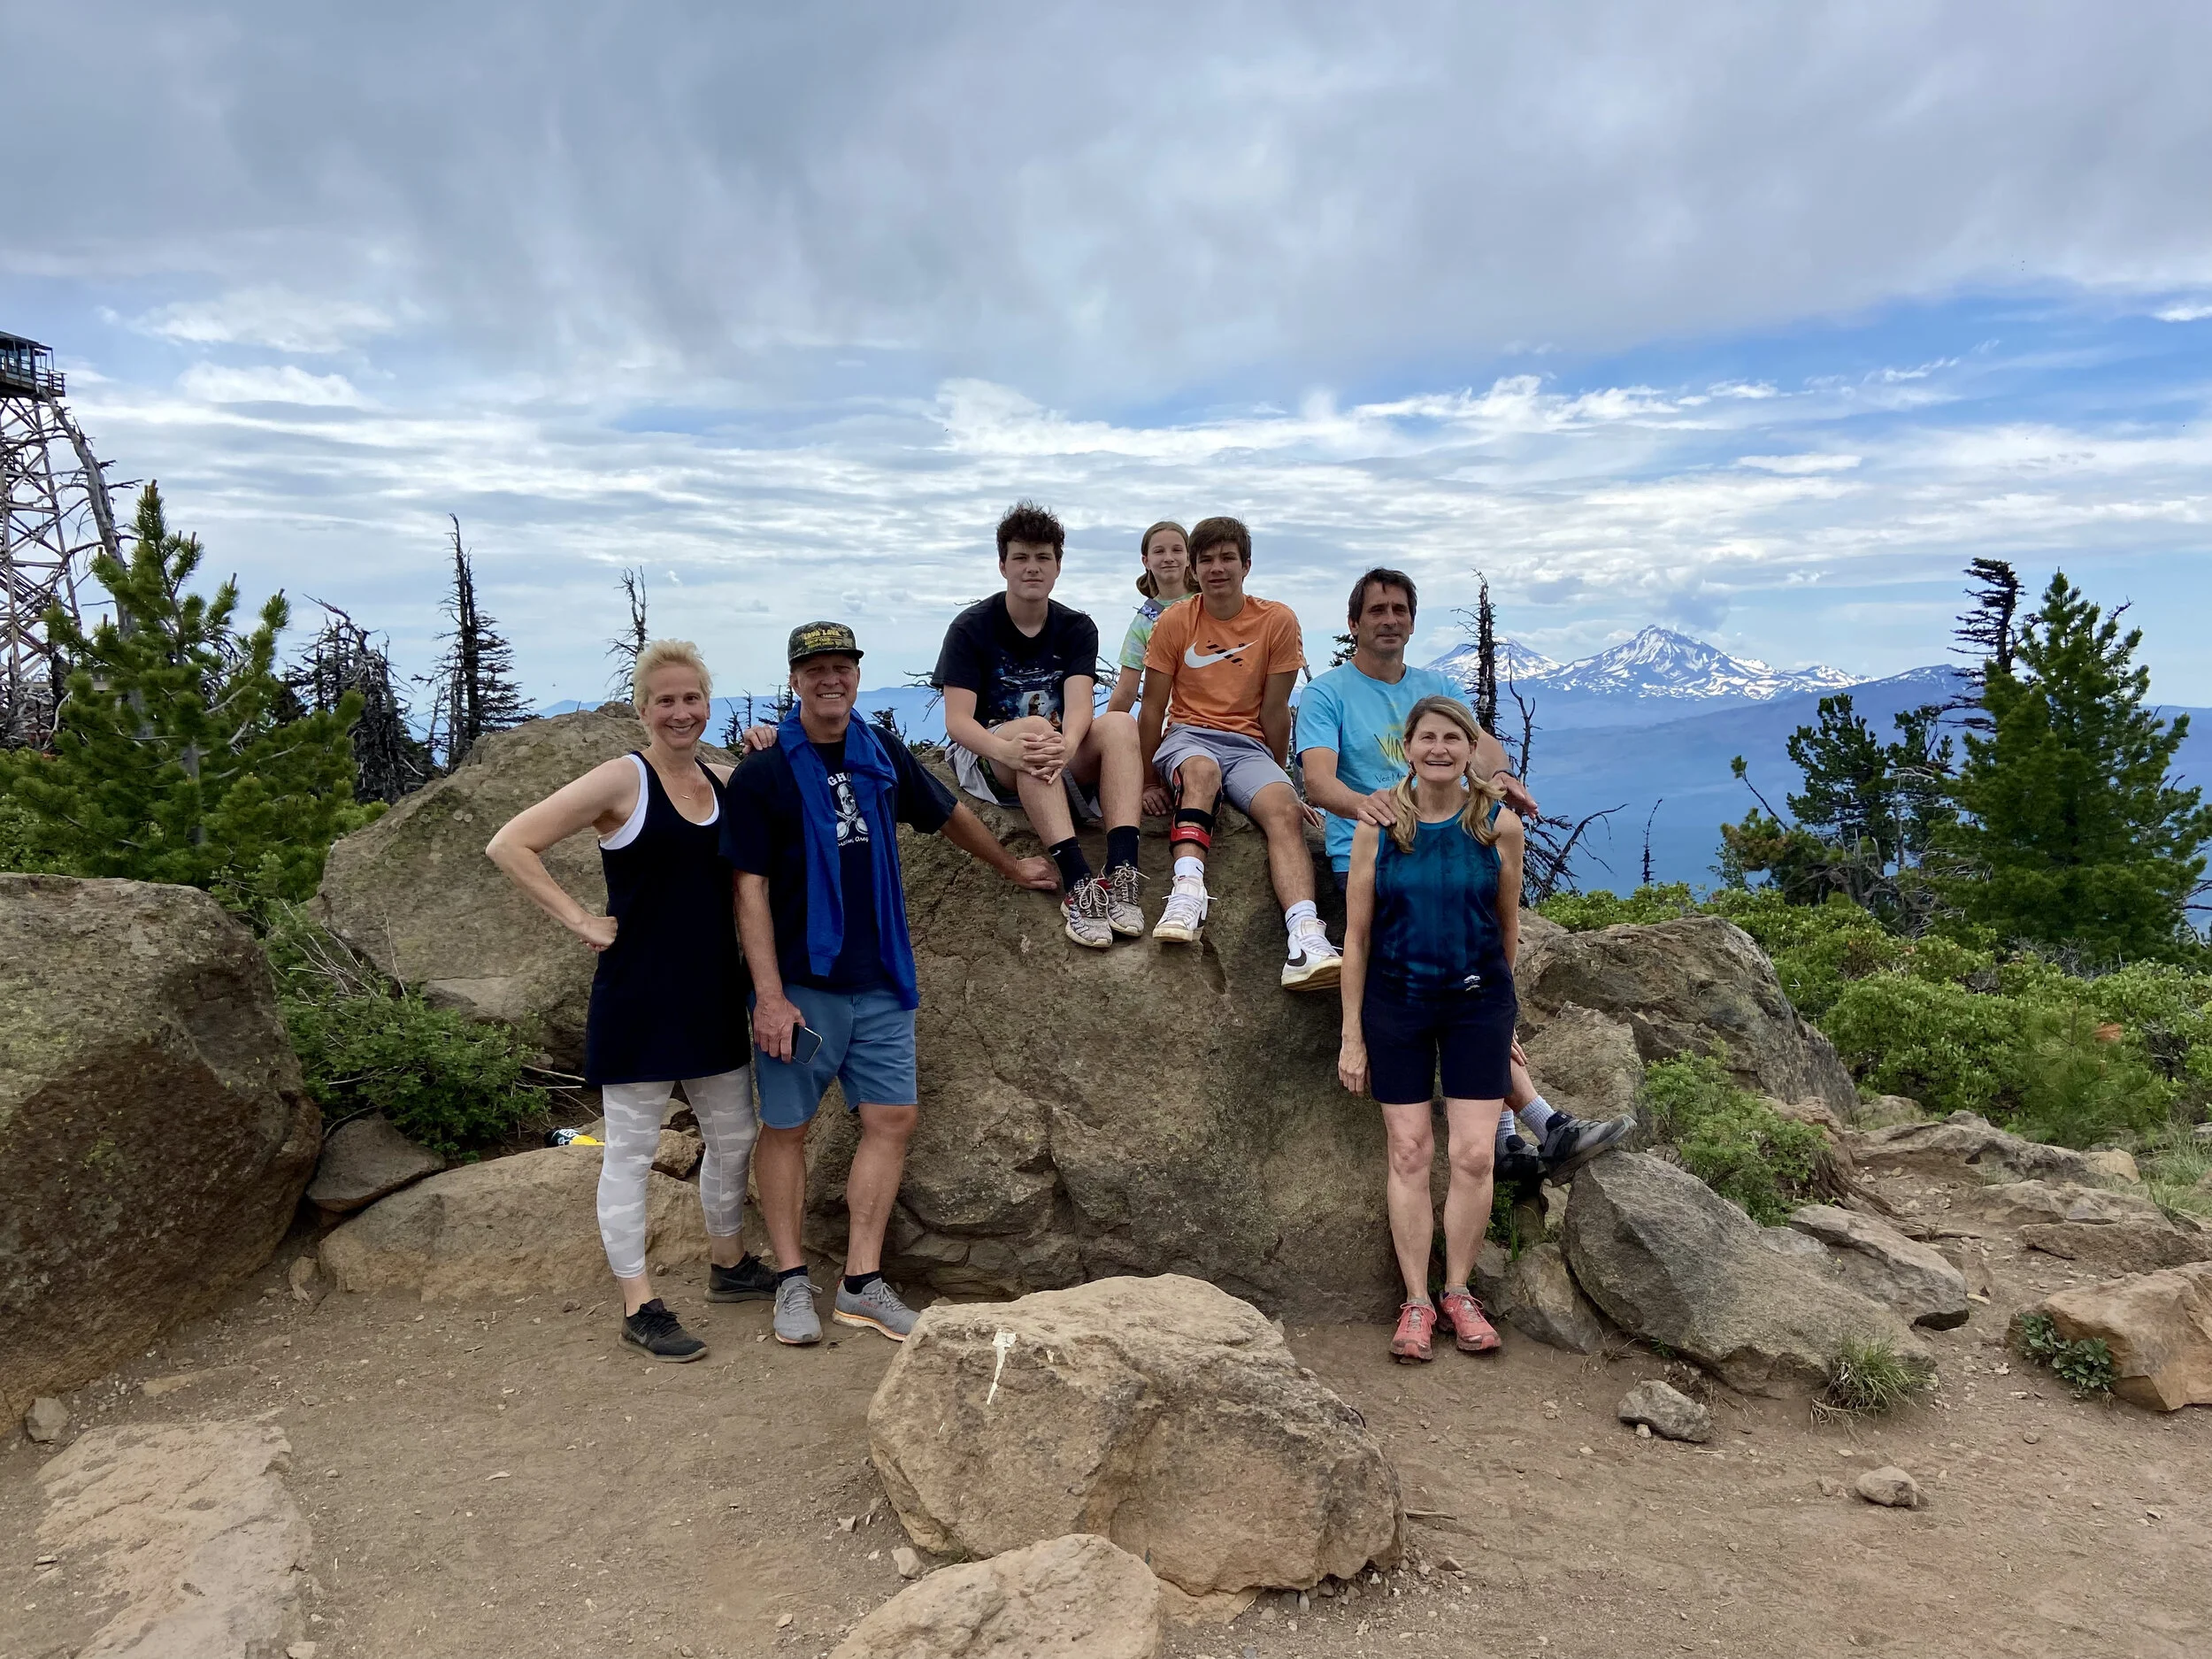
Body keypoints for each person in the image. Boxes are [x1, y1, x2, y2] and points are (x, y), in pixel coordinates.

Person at [726, 622, 1058, 1347]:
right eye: (815, 669)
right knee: (787, 1128)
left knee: (892, 1120)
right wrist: (770, 994)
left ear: (854, 673)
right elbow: (747, 888)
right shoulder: (765, 773)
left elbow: (948, 815)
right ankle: (789, 1279)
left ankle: (860, 1282)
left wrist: (1011, 865)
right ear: (794, 681)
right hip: (803, 985)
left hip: (880, 977)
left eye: (841, 667)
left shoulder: (881, 753)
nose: (830, 679)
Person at [485, 640, 774, 1363]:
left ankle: (729, 1261)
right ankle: (639, 1302)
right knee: (633, 1151)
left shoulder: (725, 781)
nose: (681, 712)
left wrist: (774, 743)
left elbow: (783, 797)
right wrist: (581, 920)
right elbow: (511, 843)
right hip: (639, 995)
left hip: (710, 990)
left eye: (692, 698)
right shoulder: (624, 779)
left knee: (735, 1135)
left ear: (708, 703)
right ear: (644, 710)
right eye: (666, 700)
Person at [1335, 695, 1527, 1363]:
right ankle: (1416, 1299)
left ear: (1471, 749)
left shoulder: (1499, 827)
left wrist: (1504, 1014)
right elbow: (1355, 938)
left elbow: (1507, 927)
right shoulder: (1379, 825)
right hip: (1397, 1003)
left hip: (1477, 1005)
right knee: (1410, 1151)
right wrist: (1351, 1034)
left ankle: (1458, 1291)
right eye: (1427, 738)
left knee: (1474, 1154)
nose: (1440, 748)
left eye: (1453, 738)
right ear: (1407, 747)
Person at [1135, 515, 1340, 988]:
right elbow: (1152, 709)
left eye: (1227, 558)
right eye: (1205, 559)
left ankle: (1305, 937)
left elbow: (1275, 712)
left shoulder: (1276, 621)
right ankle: (1187, 894)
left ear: (1246, 565)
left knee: (1282, 812)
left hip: (1247, 745)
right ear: (1193, 568)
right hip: (1188, 737)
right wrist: (1148, 779)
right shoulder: (1175, 621)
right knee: (1202, 774)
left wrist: (1282, 779)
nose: (1216, 568)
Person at [935, 501, 1148, 948]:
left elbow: (1079, 703)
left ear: (1057, 566)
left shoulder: (1075, 627)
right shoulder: (971, 628)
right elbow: (958, 721)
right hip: (992, 753)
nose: (1032, 568)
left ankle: (1122, 870)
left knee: (1120, 726)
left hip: (1053, 752)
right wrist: (1006, 751)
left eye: (1042, 558)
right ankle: (1076, 882)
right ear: (1002, 565)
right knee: (1033, 730)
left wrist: (1068, 745)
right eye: (1021, 558)